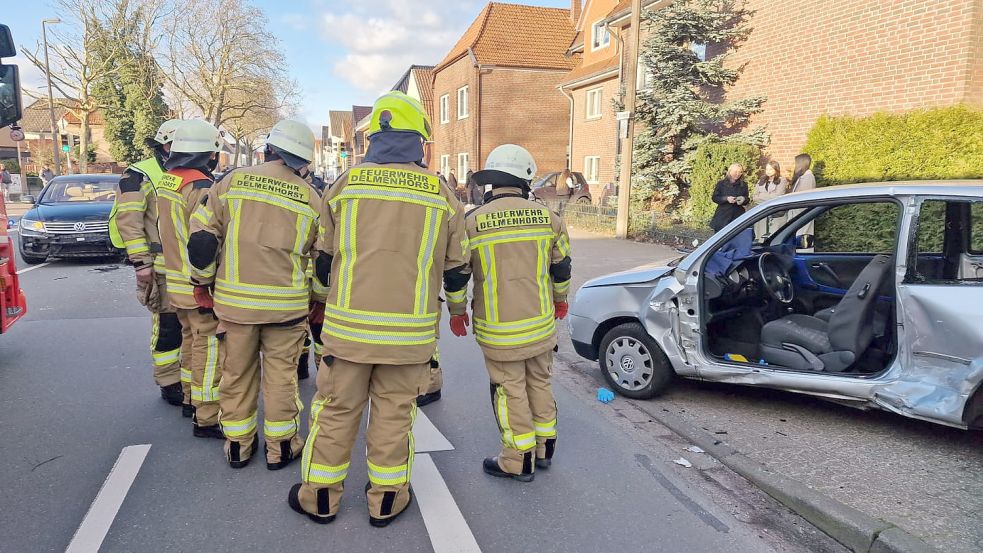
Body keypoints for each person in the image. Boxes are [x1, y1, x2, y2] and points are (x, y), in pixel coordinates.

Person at [288, 91, 469, 527]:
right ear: (420, 143)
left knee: (335, 412)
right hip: (409, 338)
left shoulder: (345, 186)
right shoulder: (442, 195)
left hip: (348, 332)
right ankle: (386, 500)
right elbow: (458, 268)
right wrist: (458, 311)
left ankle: (320, 499)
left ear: (374, 140)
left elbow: (324, 259)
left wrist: (319, 303)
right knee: (394, 416)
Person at [188, 119, 322, 469]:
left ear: (269, 149)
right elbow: (322, 257)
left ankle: (237, 446)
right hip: (286, 309)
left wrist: (201, 283)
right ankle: (281, 448)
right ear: (304, 162)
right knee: (282, 377)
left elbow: (202, 240)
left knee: (236, 375)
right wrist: (318, 299)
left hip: (235, 307)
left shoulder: (231, 182)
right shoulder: (312, 198)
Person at [448, 144, 572, 482]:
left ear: (491, 183)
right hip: (541, 325)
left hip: (499, 330)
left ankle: (518, 459)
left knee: (509, 390)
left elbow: (457, 274)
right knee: (540, 382)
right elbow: (562, 270)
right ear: (526, 180)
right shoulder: (549, 218)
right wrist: (560, 302)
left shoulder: (472, 222)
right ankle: (545, 447)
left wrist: (457, 311)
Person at [109, 119, 192, 413]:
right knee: (168, 326)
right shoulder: (139, 174)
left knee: (192, 328)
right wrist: (141, 264)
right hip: (158, 264)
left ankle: (188, 380)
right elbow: (129, 222)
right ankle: (169, 382)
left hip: (187, 265)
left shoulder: (186, 171)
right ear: (164, 145)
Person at [157, 119, 225, 439]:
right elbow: (203, 239)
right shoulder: (200, 187)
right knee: (208, 347)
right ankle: (207, 413)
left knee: (189, 339)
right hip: (197, 283)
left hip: (174, 279)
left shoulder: (168, 181)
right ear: (206, 155)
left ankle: (188, 397)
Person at [753, 160, 789, 239]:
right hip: (761, 213)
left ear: (776, 170)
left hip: (776, 214)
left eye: (771, 169)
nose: (768, 171)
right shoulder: (761, 180)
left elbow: (777, 196)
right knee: (760, 238)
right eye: (767, 169)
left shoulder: (782, 180)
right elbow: (755, 197)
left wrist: (761, 196)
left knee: (774, 238)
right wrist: (768, 196)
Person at [709, 163, 749, 233]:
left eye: (740, 172)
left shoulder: (744, 185)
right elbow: (714, 198)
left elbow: (747, 199)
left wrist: (743, 199)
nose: (737, 174)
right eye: (735, 171)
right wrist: (726, 198)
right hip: (723, 216)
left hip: (738, 216)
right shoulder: (721, 184)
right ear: (729, 171)